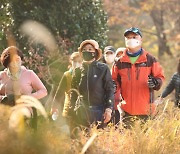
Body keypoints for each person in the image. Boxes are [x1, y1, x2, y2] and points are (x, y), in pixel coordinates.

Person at [112, 27, 165, 127]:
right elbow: (114, 80)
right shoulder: (119, 62)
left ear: (141, 39)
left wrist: (155, 82)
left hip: (146, 111)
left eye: (134, 37)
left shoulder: (150, 59)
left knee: (146, 142)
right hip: (126, 111)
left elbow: (160, 77)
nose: (131, 39)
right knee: (128, 142)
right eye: (128, 37)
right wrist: (114, 86)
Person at [0, 46, 47, 129]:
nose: (15, 63)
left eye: (17, 60)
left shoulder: (29, 74)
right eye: (11, 61)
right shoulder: (2, 75)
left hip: (25, 114)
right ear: (6, 63)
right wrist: (4, 99)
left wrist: (28, 98)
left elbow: (43, 91)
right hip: (5, 114)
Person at [70, 39, 114, 128]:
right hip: (81, 111)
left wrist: (108, 109)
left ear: (96, 52)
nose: (87, 51)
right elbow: (73, 91)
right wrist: (71, 109)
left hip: (99, 110)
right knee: (81, 139)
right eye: (84, 49)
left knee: (98, 139)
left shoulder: (103, 68)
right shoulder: (78, 71)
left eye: (90, 49)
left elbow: (109, 89)